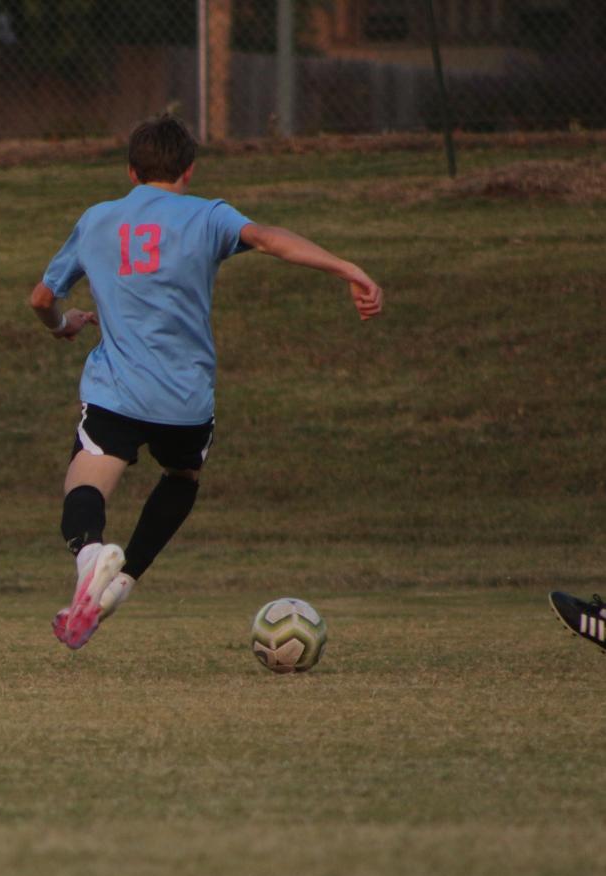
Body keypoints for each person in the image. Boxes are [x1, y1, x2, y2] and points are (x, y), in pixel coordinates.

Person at [31, 114, 384, 650]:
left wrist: (65, 324)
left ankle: (89, 557)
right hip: (185, 399)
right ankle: (123, 582)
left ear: (131, 172)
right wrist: (347, 268)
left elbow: (40, 299)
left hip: (116, 391)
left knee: (86, 481)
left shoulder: (98, 219)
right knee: (181, 476)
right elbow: (269, 239)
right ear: (189, 171)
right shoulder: (209, 216)